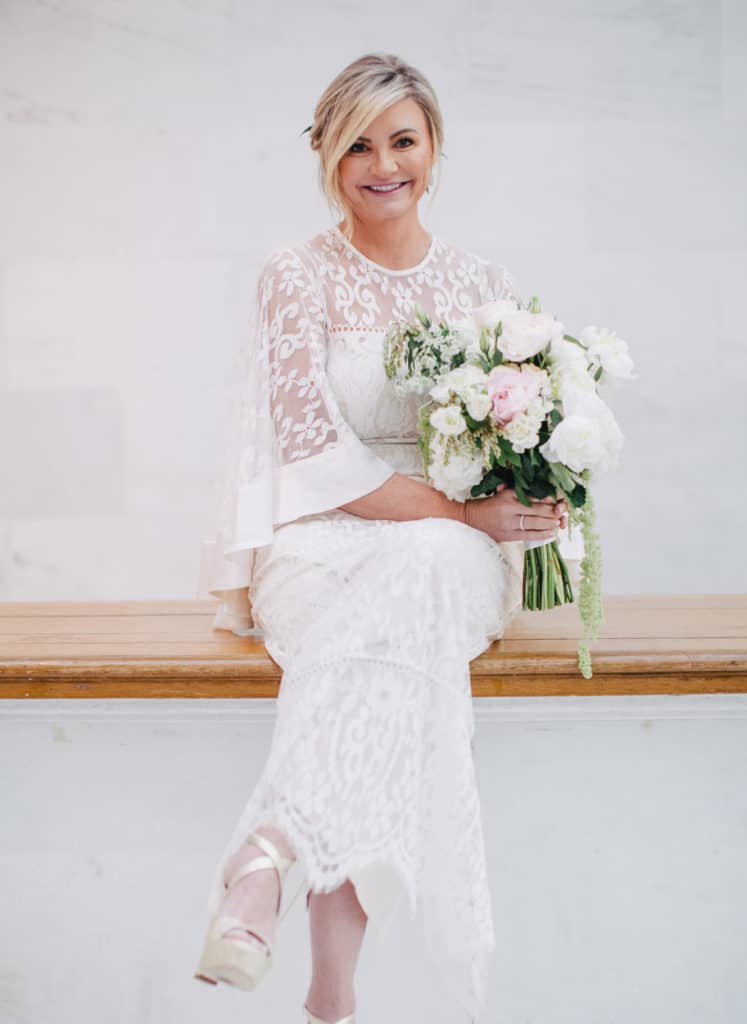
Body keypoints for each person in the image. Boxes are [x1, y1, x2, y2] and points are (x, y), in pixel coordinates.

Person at [193, 51, 582, 1024]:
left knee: (419, 576)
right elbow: (315, 450)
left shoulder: (483, 283)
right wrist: (463, 513)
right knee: (377, 643)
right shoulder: (296, 276)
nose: (382, 162)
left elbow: (512, 436)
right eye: (357, 141)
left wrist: (539, 481)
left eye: (401, 139)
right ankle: (334, 987)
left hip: (451, 553)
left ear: (434, 148)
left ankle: (268, 857)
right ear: (326, 153)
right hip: (321, 542)